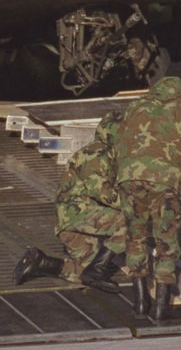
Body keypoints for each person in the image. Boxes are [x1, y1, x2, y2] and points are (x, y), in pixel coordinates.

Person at [113, 64, 181, 321]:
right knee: (166, 242)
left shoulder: (136, 105)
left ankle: (141, 300)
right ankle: (161, 305)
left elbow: (118, 140)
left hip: (129, 178)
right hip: (164, 182)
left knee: (136, 237)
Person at [13, 110, 126, 292]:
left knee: (82, 274)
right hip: (80, 215)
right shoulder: (97, 154)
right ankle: (98, 269)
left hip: (73, 222)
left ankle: (42, 263)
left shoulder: (103, 153)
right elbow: (101, 191)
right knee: (131, 220)